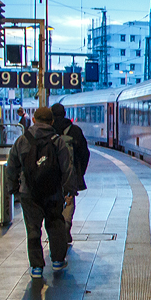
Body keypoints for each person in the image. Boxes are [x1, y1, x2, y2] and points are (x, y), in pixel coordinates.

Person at [5, 105, 76, 277]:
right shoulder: (58, 141)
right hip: (53, 191)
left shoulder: (22, 140)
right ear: (51, 121)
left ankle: (36, 267)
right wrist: (68, 189)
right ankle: (58, 261)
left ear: (34, 120)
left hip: (29, 192)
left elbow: (12, 165)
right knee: (55, 225)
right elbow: (67, 167)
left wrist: (13, 187)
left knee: (33, 228)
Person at [50, 101, 89, 236]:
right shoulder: (75, 131)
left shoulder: (48, 131)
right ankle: (66, 226)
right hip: (70, 175)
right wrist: (79, 172)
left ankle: (56, 231)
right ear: (65, 114)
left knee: (53, 204)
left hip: (52, 176)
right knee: (69, 200)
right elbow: (85, 153)